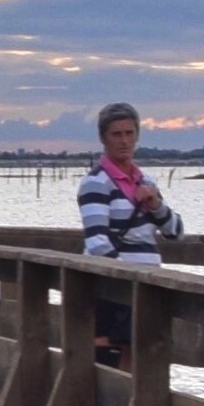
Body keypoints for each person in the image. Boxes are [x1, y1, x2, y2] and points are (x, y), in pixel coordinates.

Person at [76, 100, 185, 358]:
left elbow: (176, 232)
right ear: (103, 138)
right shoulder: (96, 183)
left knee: (144, 355)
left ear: (137, 136)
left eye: (129, 133)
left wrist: (155, 204)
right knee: (113, 358)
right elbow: (97, 243)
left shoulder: (146, 181)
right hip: (115, 286)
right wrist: (131, 281)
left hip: (149, 285)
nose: (124, 141)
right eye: (116, 134)